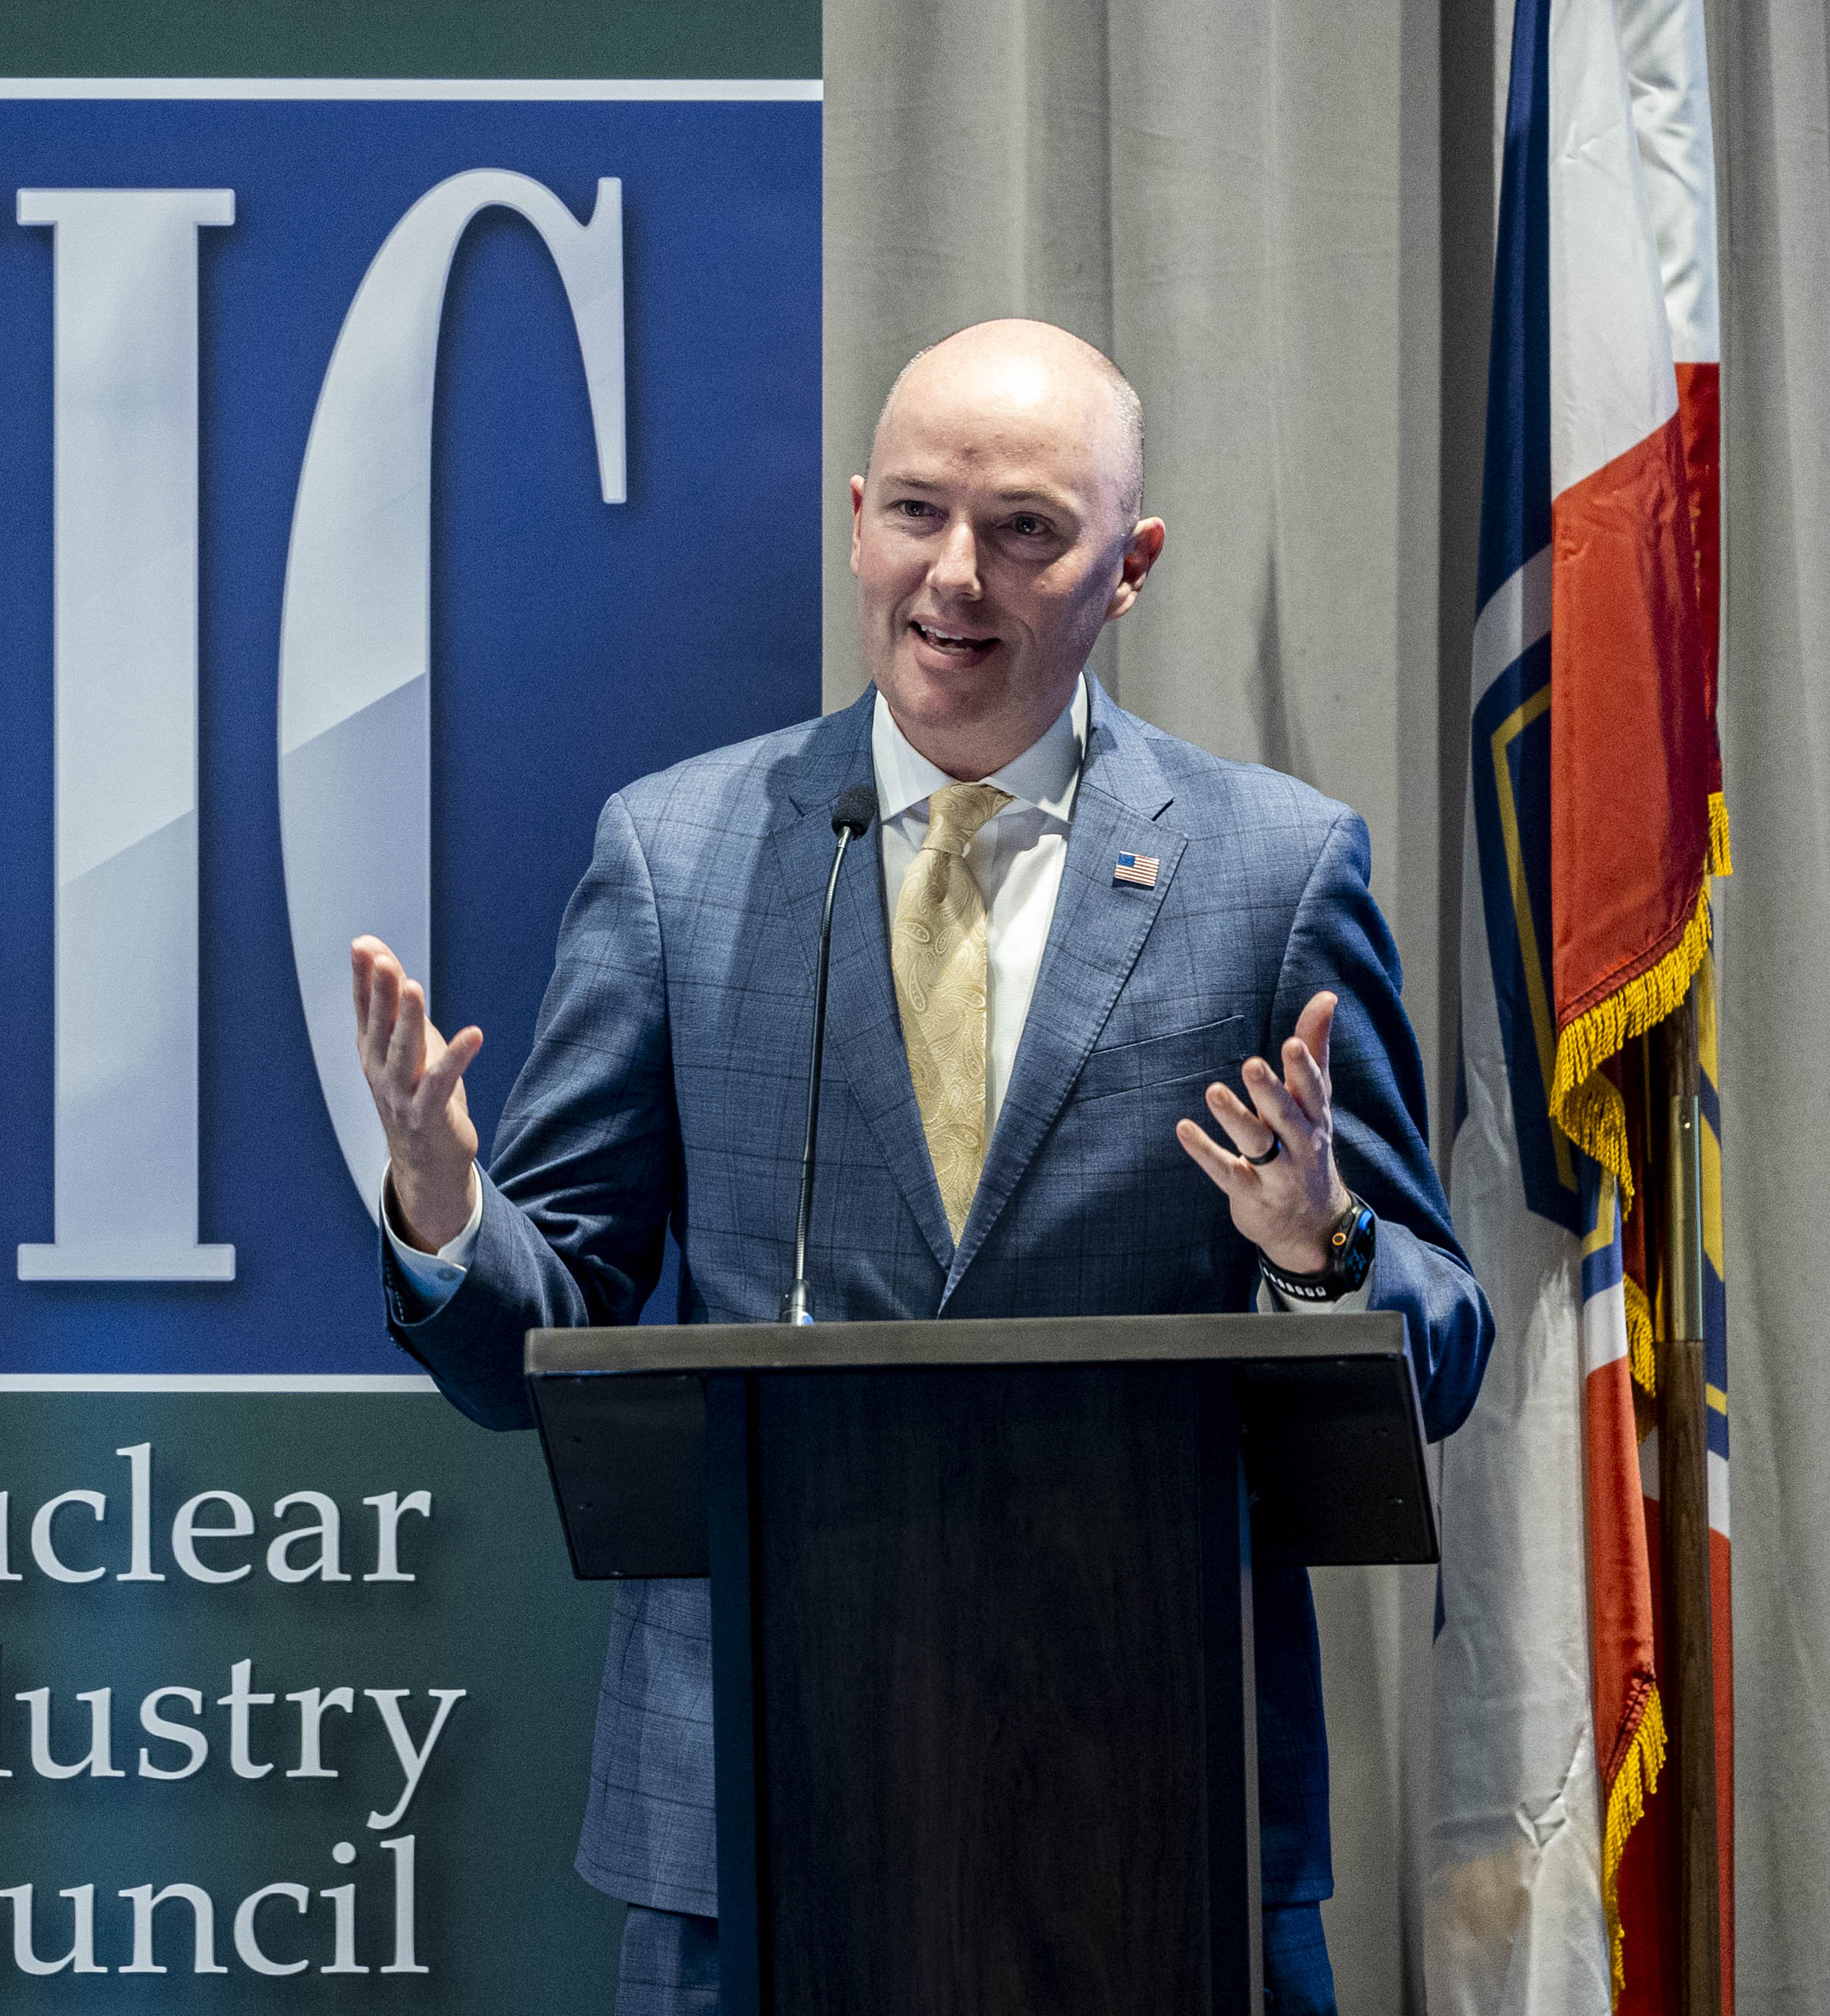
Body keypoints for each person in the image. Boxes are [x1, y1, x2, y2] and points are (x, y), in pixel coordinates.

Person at [349, 319, 1493, 2015]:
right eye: (915, 517)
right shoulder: (675, 855)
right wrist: (449, 1215)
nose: (952, 577)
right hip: (750, 1805)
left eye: (1024, 529)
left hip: (1156, 1792)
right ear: (858, 516)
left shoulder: (1268, 871)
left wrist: (1316, 1245)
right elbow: (554, 1327)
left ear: (1129, 565)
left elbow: (1441, 1346)